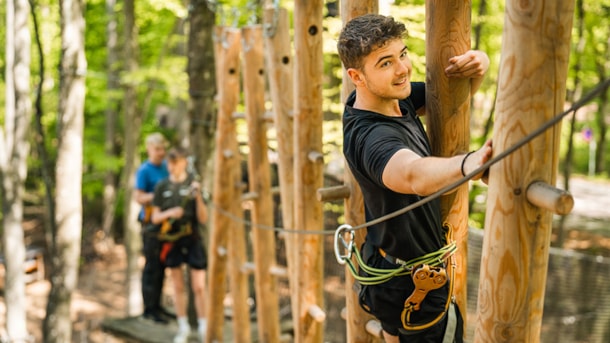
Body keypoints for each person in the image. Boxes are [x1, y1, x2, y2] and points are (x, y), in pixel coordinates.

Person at [337, 14, 493, 343]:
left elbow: (450, 103)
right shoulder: (371, 136)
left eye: (403, 54)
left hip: (389, 270)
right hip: (412, 284)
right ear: (356, 76)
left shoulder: (393, 100)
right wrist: (468, 164)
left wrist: (480, 64)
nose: (403, 68)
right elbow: (411, 174)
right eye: (385, 63)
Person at [150, 147, 209, 343]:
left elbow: (203, 218)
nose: (171, 167)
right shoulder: (162, 186)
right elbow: (155, 217)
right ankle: (183, 327)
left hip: (192, 239)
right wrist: (170, 213)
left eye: (175, 162)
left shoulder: (193, 186)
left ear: (184, 163)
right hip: (171, 241)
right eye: (170, 163)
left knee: (199, 286)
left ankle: (203, 327)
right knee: (177, 285)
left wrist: (198, 196)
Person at [134, 132, 172, 323]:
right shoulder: (144, 171)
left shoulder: (166, 167)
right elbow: (139, 197)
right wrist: (157, 194)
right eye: (157, 149)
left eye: (163, 149)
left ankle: (158, 306)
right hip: (150, 224)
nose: (161, 153)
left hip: (166, 224)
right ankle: (149, 309)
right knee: (152, 266)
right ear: (149, 149)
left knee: (162, 265)